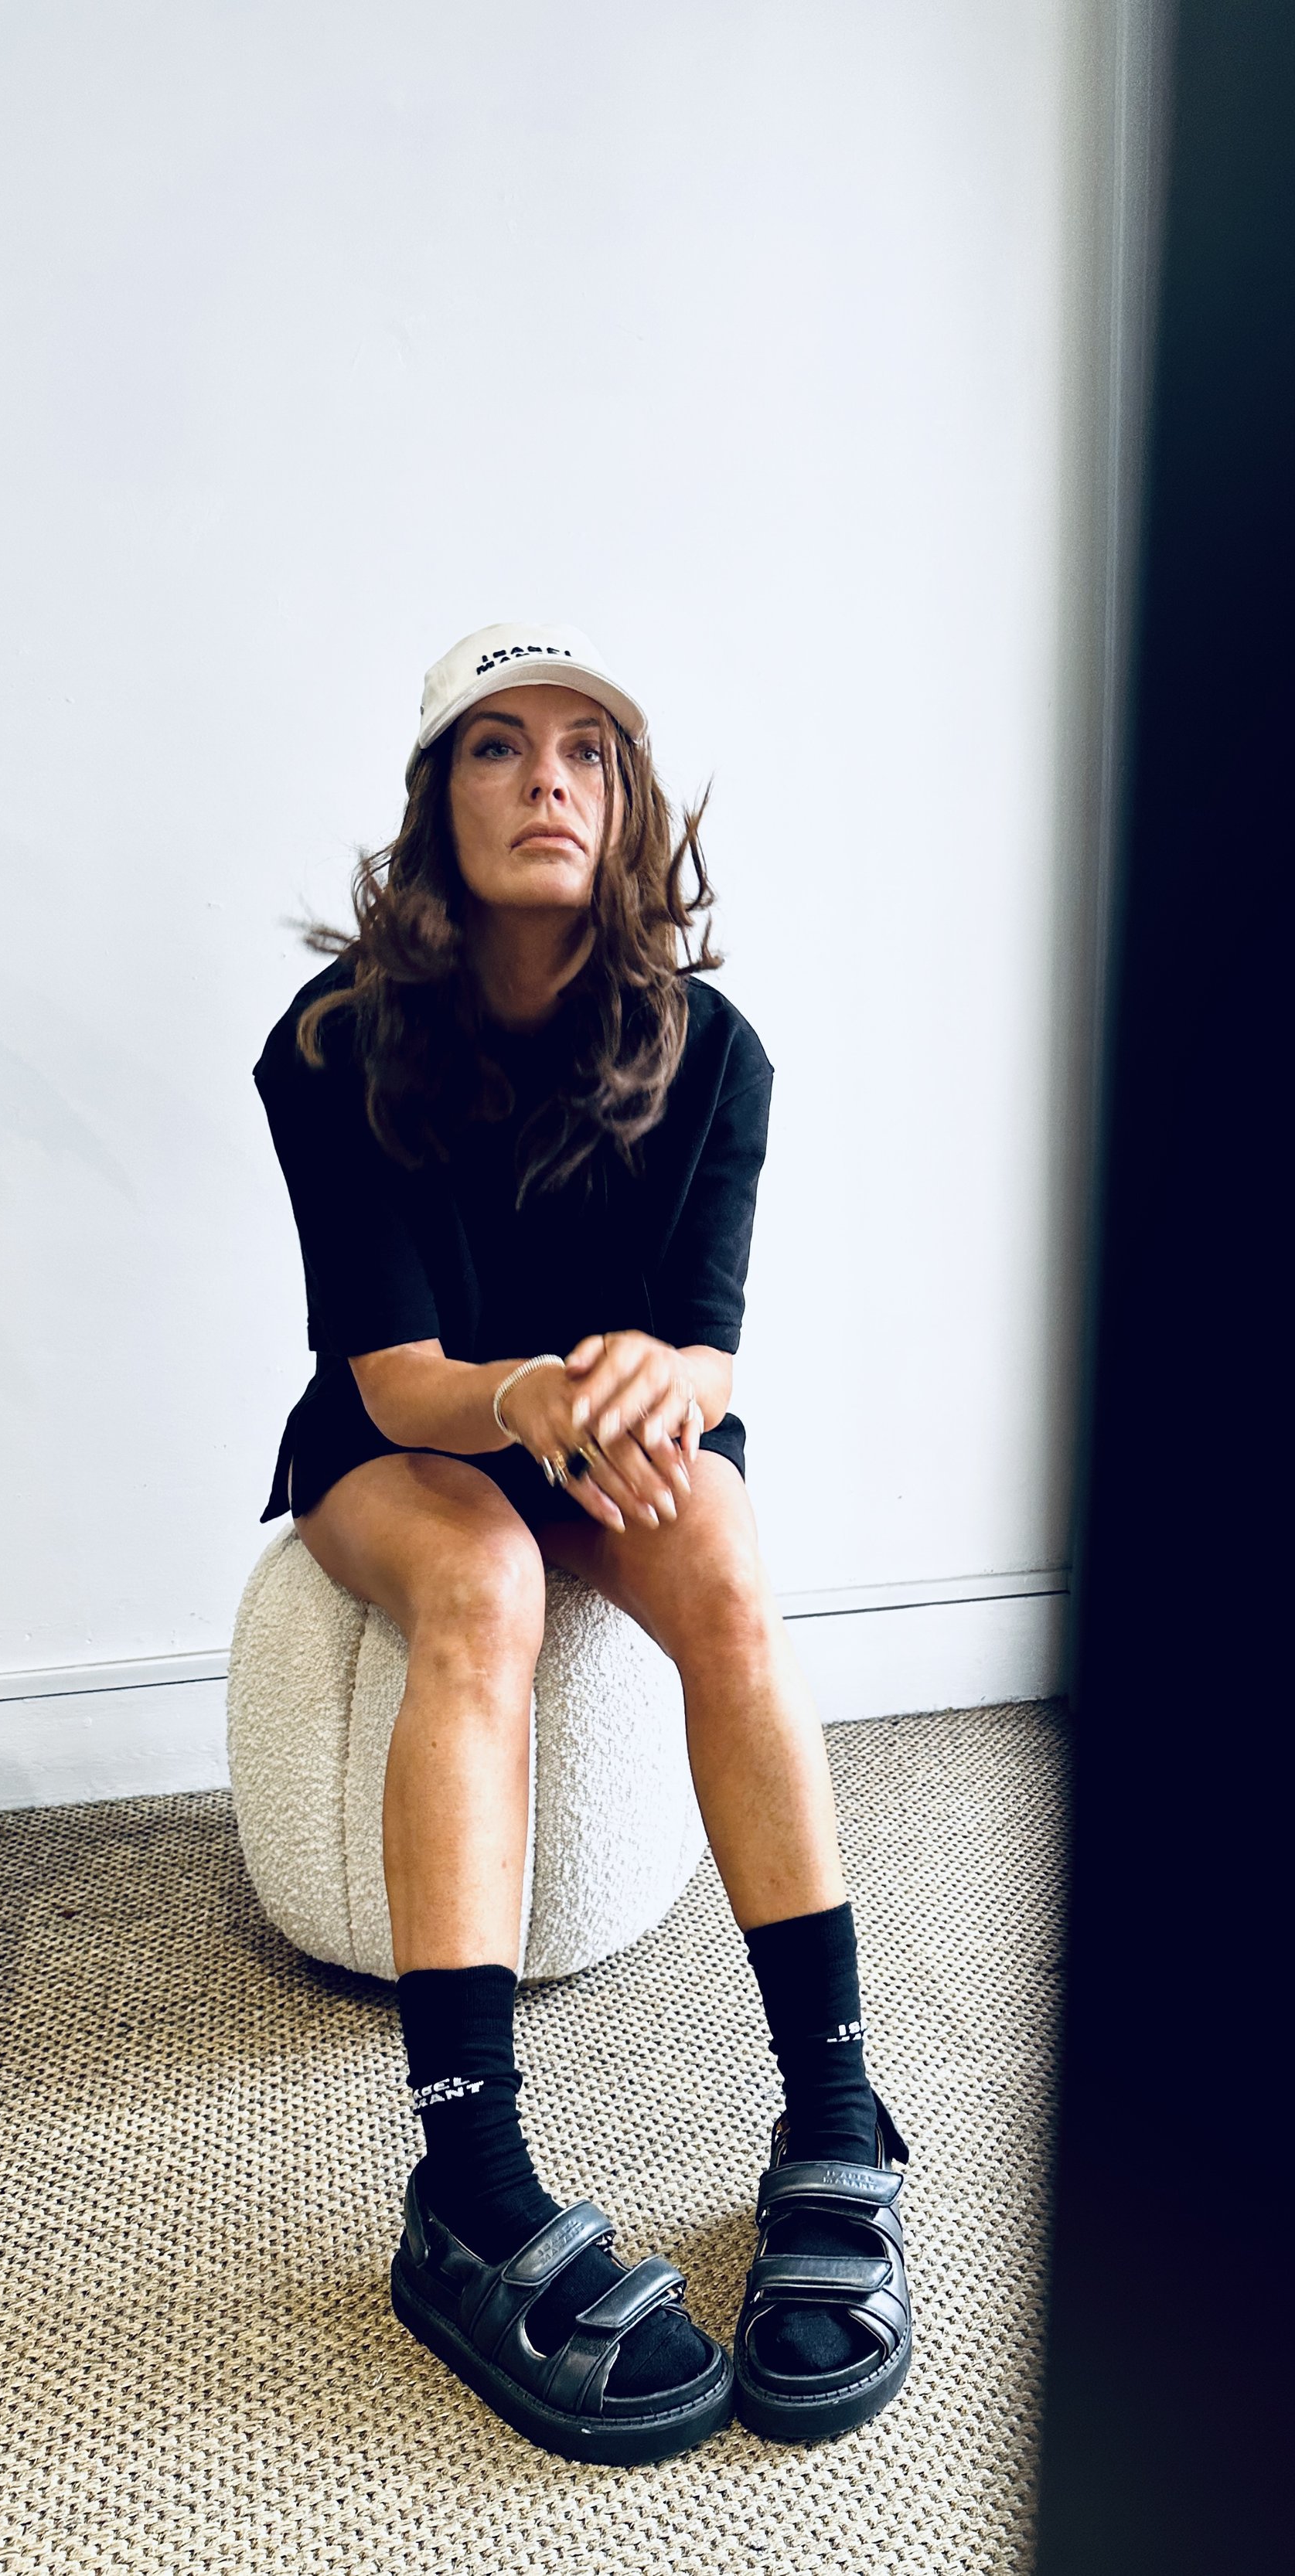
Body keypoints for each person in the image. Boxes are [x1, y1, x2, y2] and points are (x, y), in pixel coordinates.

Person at [253, 623, 912, 2465]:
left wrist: (650, 1379)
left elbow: (709, 1337)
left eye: (584, 752)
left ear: (622, 809)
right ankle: (465, 2184)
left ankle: (838, 2113)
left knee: (724, 1570)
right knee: (486, 1581)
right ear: (436, 799)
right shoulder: (328, 1048)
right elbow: (389, 1373)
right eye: (496, 746)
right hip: (413, 1438)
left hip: (611, 1422)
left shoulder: (717, 1049)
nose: (545, 778)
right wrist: (533, 1388)